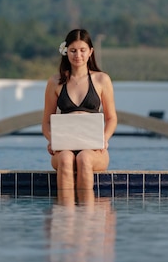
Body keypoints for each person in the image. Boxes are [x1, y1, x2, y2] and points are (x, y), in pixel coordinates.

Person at [42, 29, 117, 199]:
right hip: (63, 149)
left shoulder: (101, 80)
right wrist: (52, 139)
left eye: (83, 50)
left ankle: (87, 217)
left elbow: (112, 118)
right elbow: (46, 122)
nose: (78, 55)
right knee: (66, 159)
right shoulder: (55, 82)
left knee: (84, 158)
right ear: (66, 51)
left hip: (94, 150)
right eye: (73, 50)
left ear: (90, 52)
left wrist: (104, 139)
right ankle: (66, 217)